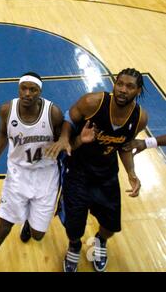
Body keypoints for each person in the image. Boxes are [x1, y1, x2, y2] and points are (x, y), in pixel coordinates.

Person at [46, 68, 148, 272]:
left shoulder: (139, 118)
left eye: (129, 87)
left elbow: (125, 147)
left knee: (111, 225)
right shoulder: (93, 102)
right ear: (114, 84)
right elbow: (69, 118)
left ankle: (100, 240)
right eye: (120, 84)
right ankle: (74, 246)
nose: (122, 90)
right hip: (78, 170)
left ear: (138, 91)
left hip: (106, 173)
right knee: (75, 225)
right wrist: (65, 138)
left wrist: (131, 173)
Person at [0, 72, 67, 260]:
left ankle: (28, 221)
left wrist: (62, 143)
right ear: (19, 89)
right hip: (18, 175)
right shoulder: (6, 110)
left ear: (40, 92)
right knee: (3, 227)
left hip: (46, 176)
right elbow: (3, 133)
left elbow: (65, 139)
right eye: (24, 88)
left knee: (37, 235)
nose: (27, 93)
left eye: (33, 90)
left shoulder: (53, 113)